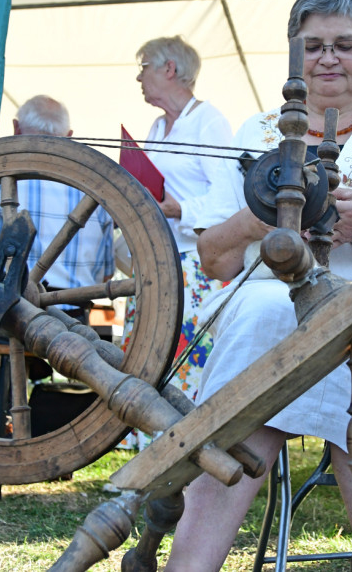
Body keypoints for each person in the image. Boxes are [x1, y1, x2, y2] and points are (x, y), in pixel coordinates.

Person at [165, 0, 352, 572]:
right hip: (271, 298)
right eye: (314, 45)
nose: (329, 58)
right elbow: (214, 260)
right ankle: (191, 564)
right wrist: (260, 219)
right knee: (257, 321)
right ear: (294, 52)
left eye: (345, 45)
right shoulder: (255, 132)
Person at [119, 36, 233, 449]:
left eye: (144, 65)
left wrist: (177, 208)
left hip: (195, 261)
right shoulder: (156, 126)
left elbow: (227, 197)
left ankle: (185, 442)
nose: (139, 76)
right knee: (150, 347)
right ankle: (149, 440)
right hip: (157, 256)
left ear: (170, 69)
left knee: (184, 353)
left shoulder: (208, 121)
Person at [0, 95, 115, 327]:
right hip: (73, 320)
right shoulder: (95, 194)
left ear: (16, 128)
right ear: (69, 137)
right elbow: (105, 276)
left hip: (6, 315)